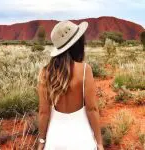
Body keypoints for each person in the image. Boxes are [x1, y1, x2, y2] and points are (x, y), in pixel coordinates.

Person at [37, 20, 104, 150]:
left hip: (55, 139)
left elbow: (43, 112)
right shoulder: (85, 70)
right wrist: (99, 143)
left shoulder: (46, 72)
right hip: (82, 139)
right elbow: (92, 109)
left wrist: (41, 141)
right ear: (77, 44)